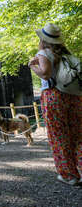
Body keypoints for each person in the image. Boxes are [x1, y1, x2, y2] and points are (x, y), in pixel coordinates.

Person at [28, 23, 82, 186]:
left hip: (54, 97)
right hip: (76, 97)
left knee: (59, 136)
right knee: (79, 135)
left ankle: (69, 175)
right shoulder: (68, 56)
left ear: (43, 40)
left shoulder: (44, 52)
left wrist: (33, 66)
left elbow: (45, 74)